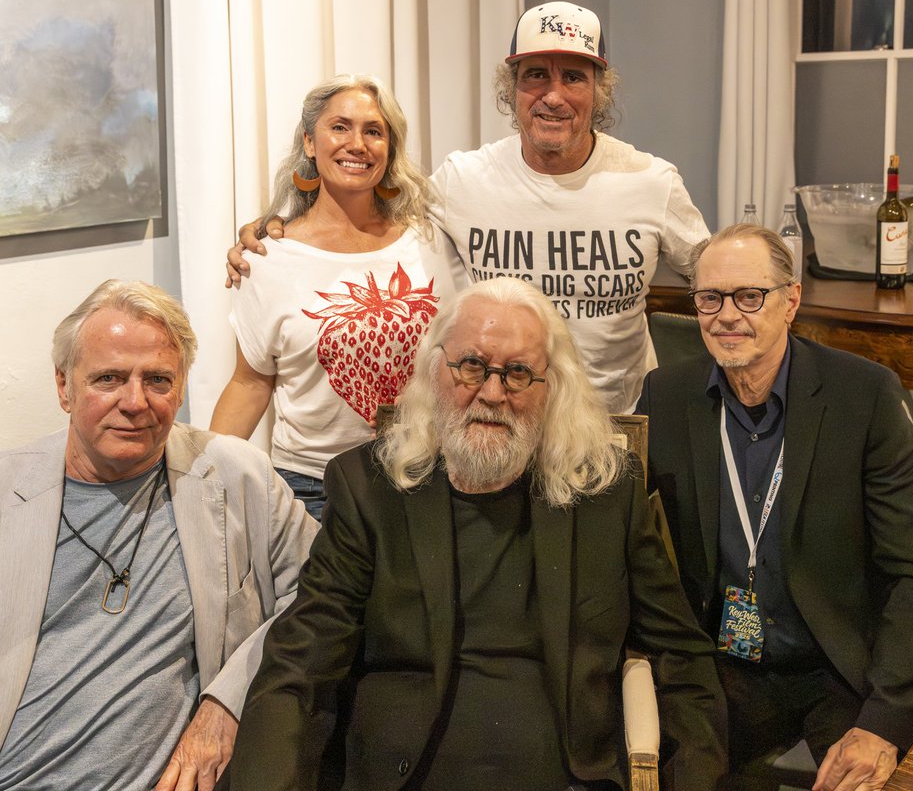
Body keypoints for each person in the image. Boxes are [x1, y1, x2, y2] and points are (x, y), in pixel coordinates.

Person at [226, 276, 728, 791]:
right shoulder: (367, 489)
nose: (492, 394)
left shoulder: (605, 495)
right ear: (435, 370)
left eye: (517, 373)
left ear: (552, 387)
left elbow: (682, 658)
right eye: (471, 366)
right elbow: (299, 663)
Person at [0, 280, 319, 791]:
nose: (135, 401)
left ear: (183, 385)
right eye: (108, 378)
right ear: (63, 386)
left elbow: (324, 600)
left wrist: (227, 702)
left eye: (159, 380)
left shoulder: (239, 478)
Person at [227, 1, 709, 414]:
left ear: (599, 90)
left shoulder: (651, 182)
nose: (553, 96)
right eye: (535, 75)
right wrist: (281, 225)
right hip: (501, 422)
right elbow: (372, 219)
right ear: (512, 88)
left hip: (615, 424)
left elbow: (718, 275)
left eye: (574, 77)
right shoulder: (463, 180)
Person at [635, 224, 913, 790]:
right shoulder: (667, 395)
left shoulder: (866, 397)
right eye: (710, 298)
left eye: (749, 296)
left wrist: (882, 723)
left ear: (791, 301)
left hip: (839, 661)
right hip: (722, 665)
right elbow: (630, 536)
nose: (728, 315)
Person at [210, 75, 467, 521]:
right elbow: (251, 383)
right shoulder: (267, 257)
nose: (358, 144)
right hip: (312, 488)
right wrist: (205, 477)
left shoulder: (432, 241)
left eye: (374, 131)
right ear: (310, 142)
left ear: (389, 149)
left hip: (423, 474)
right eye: (340, 127)